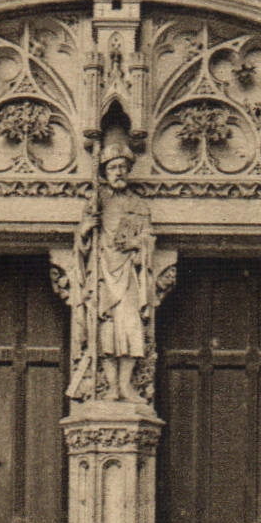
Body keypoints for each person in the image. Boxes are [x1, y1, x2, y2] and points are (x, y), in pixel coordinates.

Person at [68, 126, 154, 403]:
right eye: (113, 167)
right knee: (105, 330)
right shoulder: (97, 201)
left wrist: (137, 246)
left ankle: (126, 386)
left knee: (129, 327)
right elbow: (81, 245)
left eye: (123, 167)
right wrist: (85, 230)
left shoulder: (138, 205)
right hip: (103, 271)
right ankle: (112, 387)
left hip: (127, 271)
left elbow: (147, 240)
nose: (118, 172)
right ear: (104, 171)